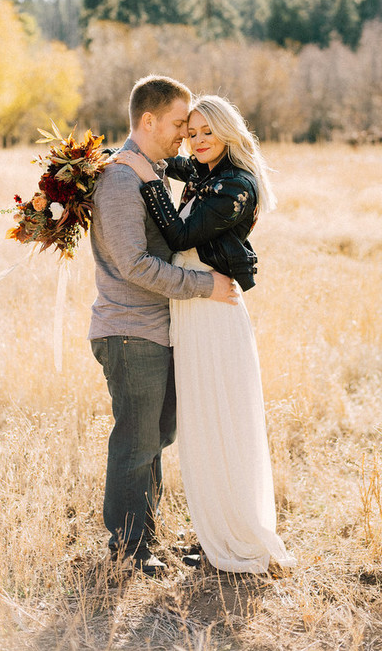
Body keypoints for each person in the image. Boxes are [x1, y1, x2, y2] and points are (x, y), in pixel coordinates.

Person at [114, 94, 296, 574]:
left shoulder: (235, 185)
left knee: (223, 419)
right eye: (190, 131)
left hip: (214, 310)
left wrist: (149, 178)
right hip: (192, 309)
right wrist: (130, 157)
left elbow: (179, 235)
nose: (195, 140)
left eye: (205, 132)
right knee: (201, 422)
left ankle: (239, 536)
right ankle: (217, 535)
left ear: (228, 131)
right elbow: (168, 158)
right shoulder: (205, 171)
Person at [88, 76, 237, 577]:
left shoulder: (147, 170)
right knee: (136, 438)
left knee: (159, 433)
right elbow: (134, 264)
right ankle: (129, 549)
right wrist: (204, 286)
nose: (184, 135)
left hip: (158, 327)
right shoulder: (119, 180)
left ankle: (143, 534)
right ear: (148, 121)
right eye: (178, 124)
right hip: (129, 330)